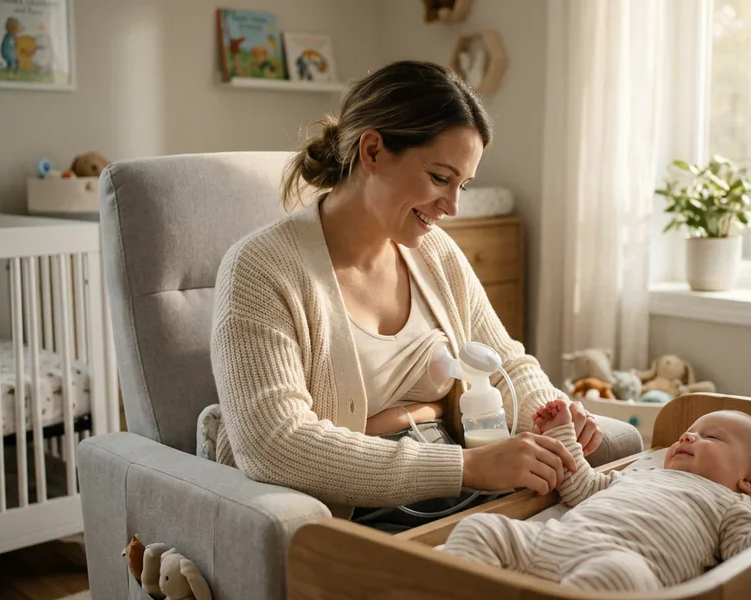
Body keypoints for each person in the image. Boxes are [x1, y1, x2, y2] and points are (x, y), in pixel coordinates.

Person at [210, 60, 638, 527]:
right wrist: (466, 467)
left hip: (463, 493)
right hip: (355, 514)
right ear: (372, 151)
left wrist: (550, 413)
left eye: (463, 185)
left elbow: (505, 364)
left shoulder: (435, 253)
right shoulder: (260, 268)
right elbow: (275, 443)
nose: (453, 206)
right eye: (440, 178)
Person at [440, 403, 751, 591]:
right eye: (689, 431)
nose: (688, 437)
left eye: (711, 437)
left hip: (620, 561)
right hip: (551, 541)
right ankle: (459, 599)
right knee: (482, 527)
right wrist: (561, 433)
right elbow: (581, 484)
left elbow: (746, 552)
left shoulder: (732, 506)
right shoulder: (640, 474)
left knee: (621, 578)